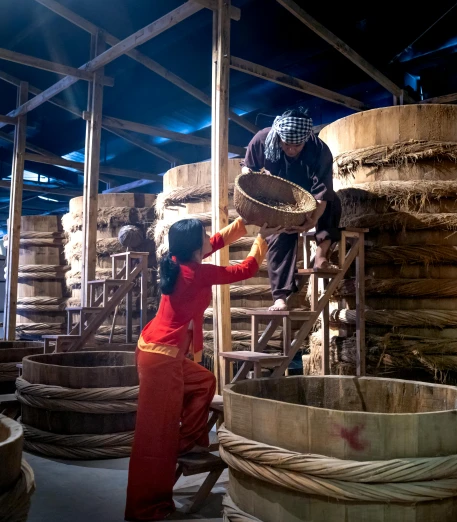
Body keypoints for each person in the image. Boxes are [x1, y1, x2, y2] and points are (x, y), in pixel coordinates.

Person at [125, 216, 276, 521]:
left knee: (205, 382)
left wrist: (246, 222)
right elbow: (245, 269)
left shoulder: (176, 260)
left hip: (158, 350)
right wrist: (264, 238)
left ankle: (187, 440)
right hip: (162, 359)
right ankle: (147, 507)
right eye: (205, 235)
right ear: (196, 248)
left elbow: (217, 241)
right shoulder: (197, 273)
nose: (211, 237)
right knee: (155, 436)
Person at [243, 107, 341, 311]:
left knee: (333, 202)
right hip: (277, 196)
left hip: (307, 194)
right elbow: (247, 170)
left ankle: (322, 255)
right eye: (286, 144)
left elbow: (322, 192)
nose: (292, 150)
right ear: (278, 136)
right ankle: (280, 296)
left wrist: (312, 220)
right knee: (281, 233)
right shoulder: (263, 139)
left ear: (306, 138)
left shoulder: (319, 150)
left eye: (297, 145)